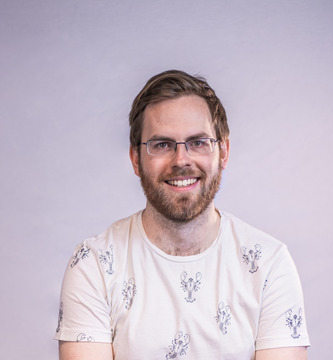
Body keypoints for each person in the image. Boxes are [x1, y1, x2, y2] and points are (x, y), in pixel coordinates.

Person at [55, 70, 310, 360]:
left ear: (223, 152)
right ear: (136, 159)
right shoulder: (95, 265)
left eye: (198, 142)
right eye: (162, 144)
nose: (181, 160)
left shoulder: (269, 263)